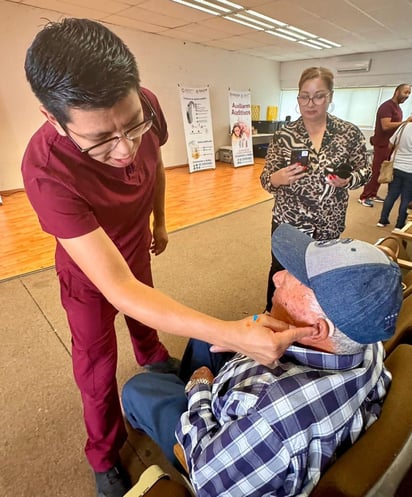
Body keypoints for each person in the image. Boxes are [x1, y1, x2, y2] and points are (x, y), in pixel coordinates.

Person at [21, 18, 308, 497]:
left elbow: (152, 168)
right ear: (54, 120)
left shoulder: (147, 106)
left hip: (136, 244)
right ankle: (103, 454)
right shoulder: (45, 167)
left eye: (132, 126)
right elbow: (118, 288)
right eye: (100, 140)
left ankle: (152, 358)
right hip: (92, 273)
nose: (125, 148)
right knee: (95, 366)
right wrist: (231, 333)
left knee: (146, 319)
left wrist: (159, 221)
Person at [122, 223, 402, 497]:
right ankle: (185, 385)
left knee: (139, 388)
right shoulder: (365, 340)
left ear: (317, 329)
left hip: (219, 439)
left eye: (295, 276)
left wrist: (199, 389)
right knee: (206, 339)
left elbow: (208, 478)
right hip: (268, 404)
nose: (278, 277)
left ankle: (164, 413)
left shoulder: (270, 419)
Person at [260, 66, 371, 313]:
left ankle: (313, 320)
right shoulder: (284, 135)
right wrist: (277, 178)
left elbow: (366, 171)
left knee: (321, 275)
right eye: (304, 96)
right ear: (298, 97)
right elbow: (266, 180)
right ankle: (273, 316)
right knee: (281, 273)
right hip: (289, 221)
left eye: (319, 95)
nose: (310, 103)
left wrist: (348, 180)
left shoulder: (348, 133)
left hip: (329, 222)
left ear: (330, 96)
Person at [358, 84, 412, 207]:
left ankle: (373, 194)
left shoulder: (398, 108)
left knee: (382, 171)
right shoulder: (387, 107)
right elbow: (386, 126)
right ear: (397, 91)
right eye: (405, 92)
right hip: (382, 144)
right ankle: (364, 196)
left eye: (409, 93)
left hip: (390, 145)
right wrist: (406, 122)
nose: (407, 95)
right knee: (376, 171)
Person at [377, 122, 412, 230]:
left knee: (391, 195)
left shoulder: (403, 126)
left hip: (396, 166)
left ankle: (382, 220)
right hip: (410, 170)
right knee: (406, 198)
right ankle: (399, 224)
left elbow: (390, 144)